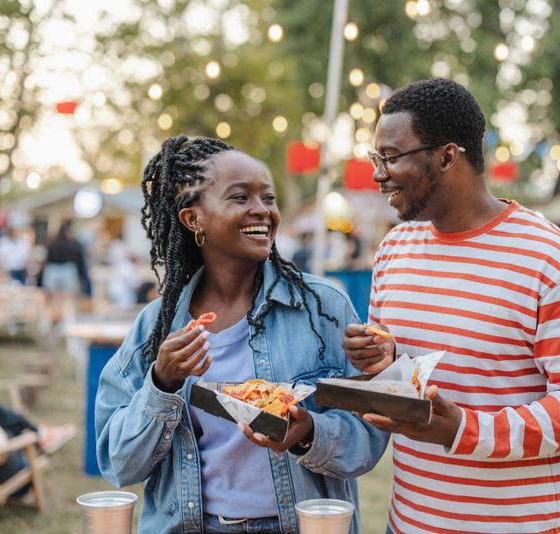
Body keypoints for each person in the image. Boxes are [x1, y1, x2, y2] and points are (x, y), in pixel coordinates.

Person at [341, 78, 560, 533]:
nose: (378, 174)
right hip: (410, 522)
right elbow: (407, 374)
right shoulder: (394, 248)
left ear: (448, 156)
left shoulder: (553, 260)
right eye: (377, 158)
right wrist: (382, 359)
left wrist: (464, 430)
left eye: (390, 157)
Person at [95, 136, 387, 534]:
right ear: (193, 219)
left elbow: (368, 435)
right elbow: (119, 464)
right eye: (240, 198)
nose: (262, 211)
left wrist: (307, 434)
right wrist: (161, 384)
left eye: (268, 198)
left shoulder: (322, 307)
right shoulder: (156, 328)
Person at [41, 221, 88, 322]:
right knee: (66, 300)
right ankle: (66, 322)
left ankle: (54, 321)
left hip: (54, 272)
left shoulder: (52, 243)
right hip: (66, 272)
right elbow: (79, 260)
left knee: (55, 300)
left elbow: (47, 259)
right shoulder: (72, 244)